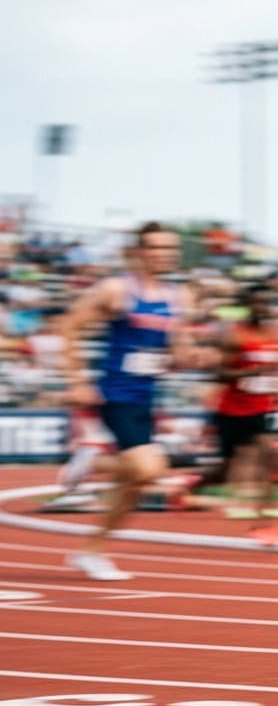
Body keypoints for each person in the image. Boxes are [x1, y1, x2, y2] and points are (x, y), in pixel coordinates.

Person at [55, 222, 197, 581]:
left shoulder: (180, 298)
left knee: (136, 482)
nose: (163, 254)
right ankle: (93, 464)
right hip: (115, 394)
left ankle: (91, 550)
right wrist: (78, 380)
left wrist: (186, 355)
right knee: (149, 469)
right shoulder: (117, 290)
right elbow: (71, 326)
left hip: (146, 396)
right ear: (139, 252)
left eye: (169, 249)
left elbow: (178, 348)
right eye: (155, 247)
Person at [211, 282, 278, 531]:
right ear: (246, 306)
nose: (263, 307)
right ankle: (191, 485)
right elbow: (220, 374)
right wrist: (250, 371)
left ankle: (263, 524)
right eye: (257, 302)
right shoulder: (234, 335)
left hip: (263, 408)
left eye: (267, 302)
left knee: (270, 457)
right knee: (224, 472)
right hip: (232, 411)